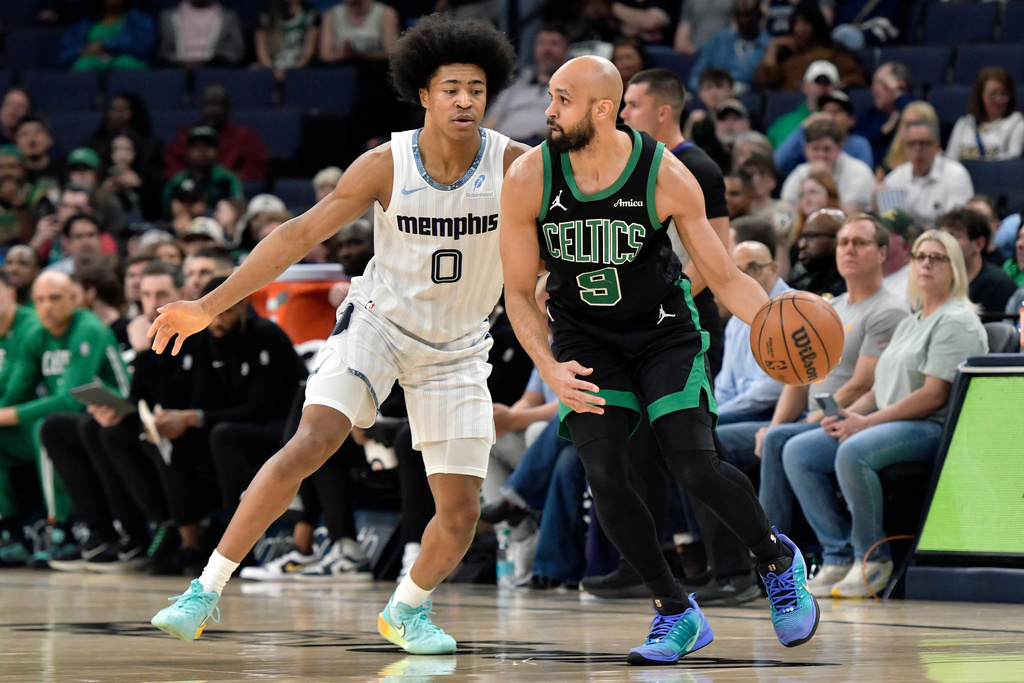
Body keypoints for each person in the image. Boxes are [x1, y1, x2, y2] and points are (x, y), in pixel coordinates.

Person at [148, 15, 524, 654]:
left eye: (478, 89)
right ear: (424, 95)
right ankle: (204, 589)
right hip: (377, 323)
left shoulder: (517, 165)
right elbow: (296, 236)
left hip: (460, 346)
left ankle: (406, 610)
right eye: (452, 87)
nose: (466, 100)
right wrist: (209, 306)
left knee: (460, 514)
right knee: (314, 438)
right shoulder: (386, 164)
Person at [500, 55, 819, 665]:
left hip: (663, 332)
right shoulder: (529, 178)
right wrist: (548, 367)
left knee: (693, 463)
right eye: (550, 96)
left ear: (601, 109)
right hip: (584, 339)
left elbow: (724, 276)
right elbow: (517, 292)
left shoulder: (666, 174)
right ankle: (676, 611)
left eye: (561, 99)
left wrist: (779, 325)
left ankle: (776, 559)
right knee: (606, 472)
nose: (548, 111)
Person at [783, 230, 986, 598]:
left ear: (954, 267)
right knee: (800, 452)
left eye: (936, 258)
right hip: (888, 421)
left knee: (853, 451)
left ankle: (873, 558)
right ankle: (838, 554)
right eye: (919, 256)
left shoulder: (957, 319)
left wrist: (866, 424)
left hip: (930, 428)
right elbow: (878, 388)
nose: (925, 263)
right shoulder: (912, 320)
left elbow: (933, 394)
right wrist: (847, 416)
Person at [879, 120, 974, 229]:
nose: (917, 149)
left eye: (924, 143)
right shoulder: (893, 179)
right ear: (904, 148)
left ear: (936, 146)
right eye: (911, 144)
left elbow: (955, 223)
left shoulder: (957, 175)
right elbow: (893, 227)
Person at [936, 207, 1017, 316]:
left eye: (952, 236)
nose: (944, 243)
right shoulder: (937, 279)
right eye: (942, 237)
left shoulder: (998, 286)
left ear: (979, 244)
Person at [687, 0, 770, 94]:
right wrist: (708, 92)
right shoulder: (720, 40)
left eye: (748, 15)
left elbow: (768, 83)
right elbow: (695, 76)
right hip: (714, 95)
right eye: (739, 15)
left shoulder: (769, 45)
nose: (743, 21)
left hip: (750, 99)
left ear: (759, 16)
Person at [946, 67, 1024, 163]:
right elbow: (950, 159)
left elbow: (1014, 157)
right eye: (993, 94)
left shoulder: (1017, 122)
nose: (998, 99)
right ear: (981, 96)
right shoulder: (964, 123)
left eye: (1003, 94)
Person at [55, 0, 156, 74]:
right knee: (82, 65)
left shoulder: (139, 20)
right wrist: (82, 51)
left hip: (124, 63)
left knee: (124, 63)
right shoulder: (84, 25)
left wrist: (105, 45)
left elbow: (142, 45)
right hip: (91, 63)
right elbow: (64, 54)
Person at [255, 0, 321, 78]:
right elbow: (262, 51)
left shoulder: (311, 16)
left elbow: (309, 51)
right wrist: (273, 70)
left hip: (300, 69)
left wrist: (293, 72)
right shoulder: (265, 17)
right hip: (272, 68)